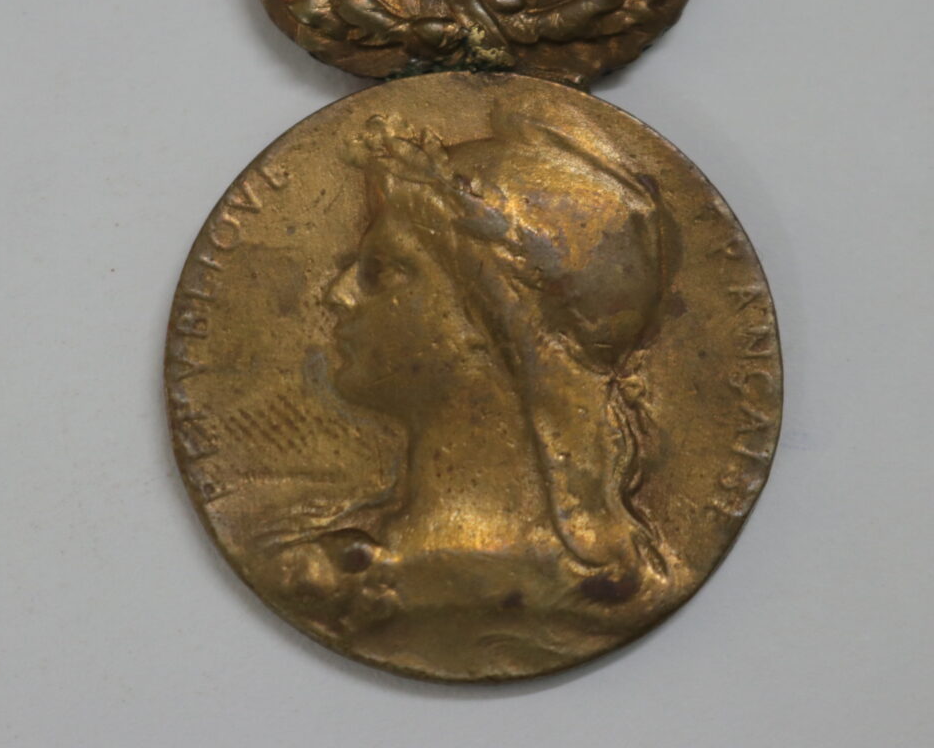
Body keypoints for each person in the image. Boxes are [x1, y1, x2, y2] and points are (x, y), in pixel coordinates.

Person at [262, 102, 678, 670]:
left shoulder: (581, 605)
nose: (339, 294)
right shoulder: (323, 572)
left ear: (494, 322)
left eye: (383, 270)